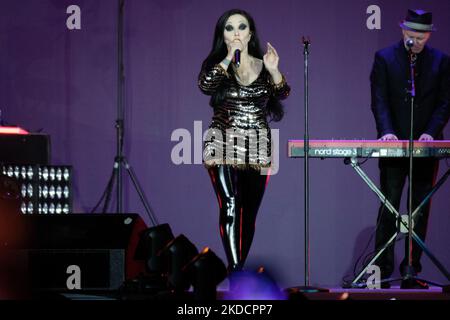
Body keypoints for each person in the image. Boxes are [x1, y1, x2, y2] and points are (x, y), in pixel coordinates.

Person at [198, 9, 290, 272]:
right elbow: (205, 85)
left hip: (258, 145)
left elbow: (283, 92)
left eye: (241, 27)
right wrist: (229, 57)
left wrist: (273, 70)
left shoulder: (264, 65)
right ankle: (237, 272)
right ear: (223, 35)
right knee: (230, 204)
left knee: (248, 214)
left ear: (250, 33)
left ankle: (237, 268)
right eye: (229, 28)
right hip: (223, 142)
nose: (236, 32)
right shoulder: (218, 65)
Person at [370, 9, 450, 289]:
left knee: (419, 210)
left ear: (428, 35)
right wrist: (387, 132)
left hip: (426, 145)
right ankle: (382, 269)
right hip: (394, 145)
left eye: (420, 37)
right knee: (389, 205)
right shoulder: (385, 57)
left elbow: (444, 102)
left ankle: (411, 270)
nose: (414, 41)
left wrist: (430, 132)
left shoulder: (441, 61)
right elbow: (379, 99)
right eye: (410, 35)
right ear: (402, 31)